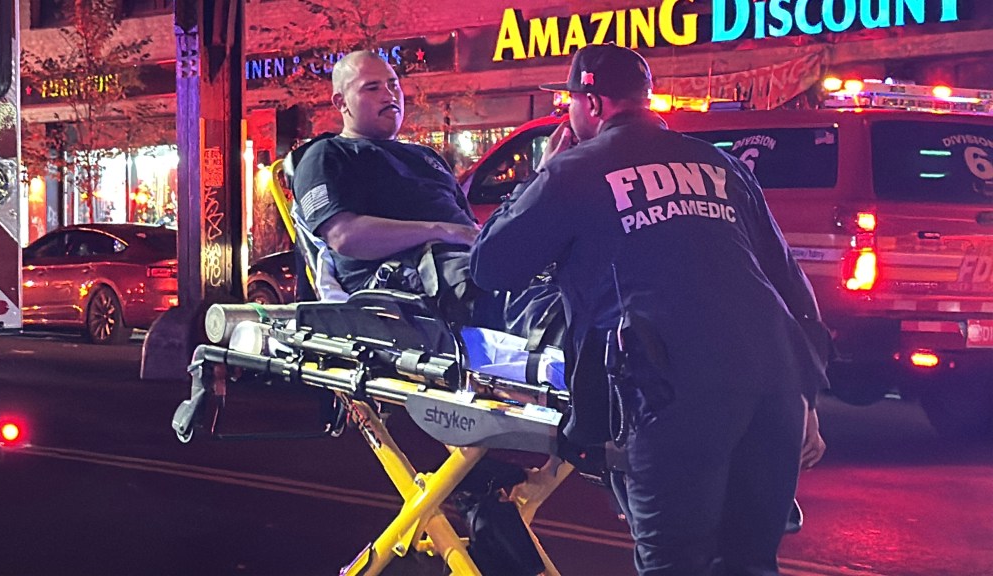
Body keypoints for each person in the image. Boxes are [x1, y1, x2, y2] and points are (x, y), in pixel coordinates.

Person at [470, 43, 830, 575]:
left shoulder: (573, 171)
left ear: (591, 104)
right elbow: (790, 286)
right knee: (751, 563)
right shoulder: (719, 163)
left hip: (673, 388)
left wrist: (541, 174)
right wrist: (808, 398)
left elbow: (490, 266)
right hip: (773, 383)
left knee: (674, 564)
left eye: (570, 100)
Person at [289, 50, 480, 299]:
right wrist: (441, 231)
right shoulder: (327, 155)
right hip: (406, 286)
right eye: (372, 88)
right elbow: (343, 236)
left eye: (393, 85)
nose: (389, 95)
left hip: (467, 265)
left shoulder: (426, 157)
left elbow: (468, 227)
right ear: (341, 102)